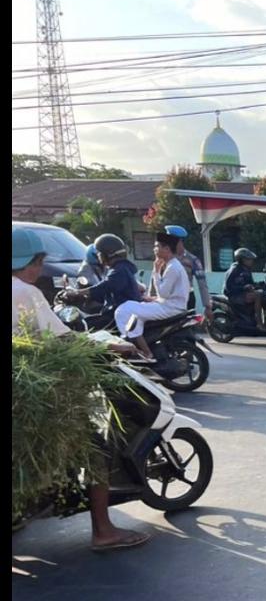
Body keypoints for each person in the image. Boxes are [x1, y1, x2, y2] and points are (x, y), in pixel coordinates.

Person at [11, 227, 149, 553]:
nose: (41, 268)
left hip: (23, 388)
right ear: (27, 261)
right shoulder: (26, 293)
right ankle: (103, 531)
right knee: (98, 447)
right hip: (36, 395)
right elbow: (63, 338)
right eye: (39, 261)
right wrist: (113, 347)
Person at [110, 232, 190, 362]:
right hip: (169, 305)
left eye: (157, 246)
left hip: (171, 308)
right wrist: (154, 299)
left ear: (167, 249)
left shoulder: (173, 267)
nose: (155, 249)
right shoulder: (172, 265)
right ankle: (143, 349)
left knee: (124, 310)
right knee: (133, 311)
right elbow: (168, 295)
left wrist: (156, 272)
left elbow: (163, 293)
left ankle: (145, 352)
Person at [165, 225, 211, 316]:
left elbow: (202, 283)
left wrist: (207, 306)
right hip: (168, 299)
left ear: (180, 241)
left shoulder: (192, 260)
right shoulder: (164, 258)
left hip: (187, 298)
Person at [223, 247, 266, 330]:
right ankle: (259, 323)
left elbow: (251, 284)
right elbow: (228, 286)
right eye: (249, 259)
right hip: (234, 295)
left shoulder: (247, 270)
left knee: (264, 294)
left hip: (243, 294)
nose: (251, 261)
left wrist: (263, 284)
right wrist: (243, 287)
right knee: (258, 295)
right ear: (242, 259)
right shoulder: (234, 269)